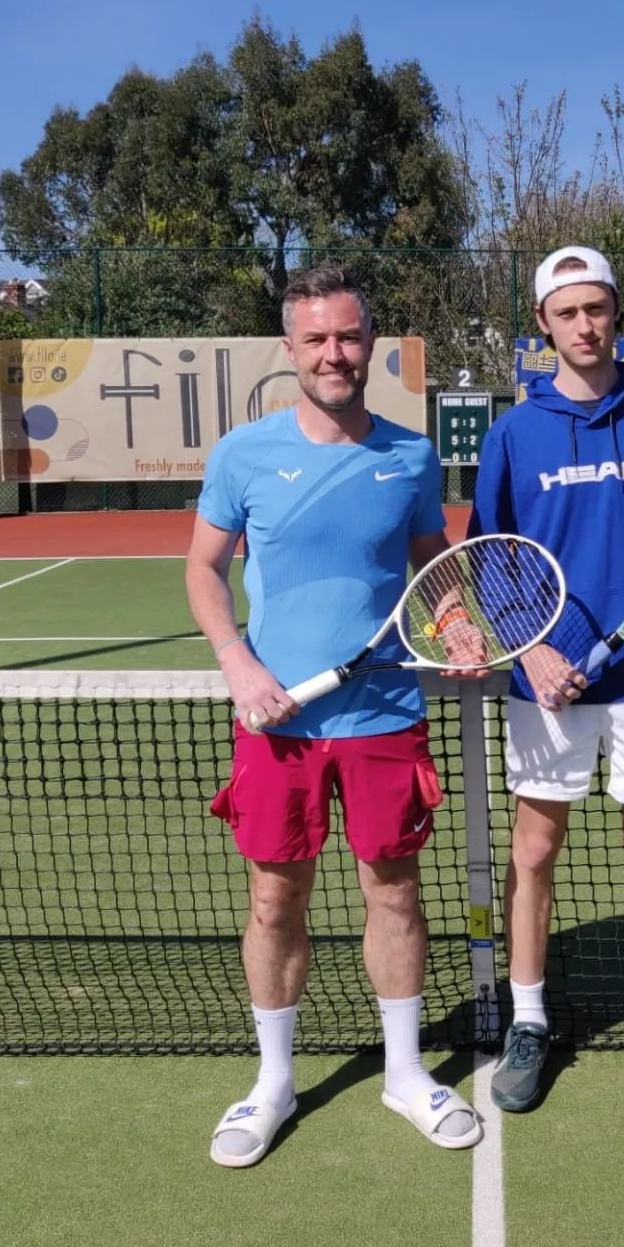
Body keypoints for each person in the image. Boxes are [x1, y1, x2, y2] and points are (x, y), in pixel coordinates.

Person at [186, 263, 486, 1168]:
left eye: (348, 336)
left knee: (394, 891)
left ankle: (403, 1072)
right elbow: (203, 571)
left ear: (370, 343)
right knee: (276, 896)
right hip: (277, 722)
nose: (334, 353)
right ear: (290, 348)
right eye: (316, 338)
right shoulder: (244, 454)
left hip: (384, 712)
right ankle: (273, 1082)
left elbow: (435, 567)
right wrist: (237, 662)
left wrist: (460, 623)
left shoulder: (410, 455)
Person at [469, 245, 624, 1113]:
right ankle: (530, 1020)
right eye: (567, 311)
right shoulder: (514, 432)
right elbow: (490, 552)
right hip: (547, 682)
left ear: (617, 313)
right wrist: (525, 643)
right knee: (534, 851)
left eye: (597, 307)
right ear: (543, 324)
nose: (585, 324)